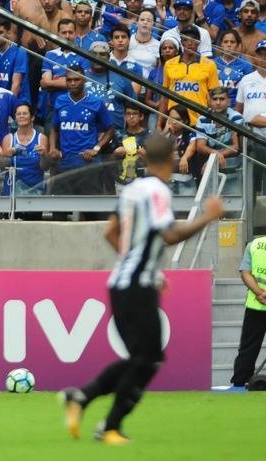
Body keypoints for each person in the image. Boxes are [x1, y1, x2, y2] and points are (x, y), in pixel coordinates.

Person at [60, 134, 223, 444]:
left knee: (142, 357)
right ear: (173, 158)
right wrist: (208, 217)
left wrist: (141, 264)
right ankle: (108, 426)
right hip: (136, 284)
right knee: (148, 359)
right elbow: (169, 235)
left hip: (124, 281)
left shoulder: (134, 188)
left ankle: (81, 398)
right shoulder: (158, 191)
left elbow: (111, 232)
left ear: (146, 157)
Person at [230, 234, 266, 388]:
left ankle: (239, 383)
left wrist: (259, 293)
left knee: (248, 347)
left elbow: (245, 273)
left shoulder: (254, 244)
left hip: (256, 304)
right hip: (258, 303)